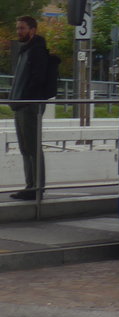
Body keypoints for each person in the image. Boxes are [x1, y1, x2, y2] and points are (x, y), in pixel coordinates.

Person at [9, 15, 55, 201]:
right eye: (18, 28)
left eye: (23, 28)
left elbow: (37, 79)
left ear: (33, 30)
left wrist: (27, 100)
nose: (19, 31)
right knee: (25, 148)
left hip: (29, 105)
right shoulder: (25, 50)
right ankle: (30, 186)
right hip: (20, 105)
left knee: (32, 147)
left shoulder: (36, 51)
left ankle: (36, 187)